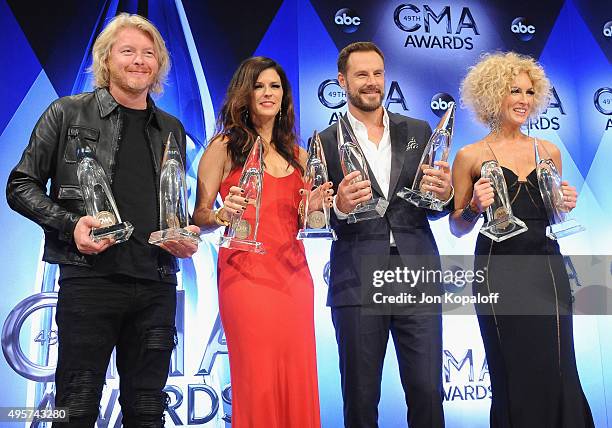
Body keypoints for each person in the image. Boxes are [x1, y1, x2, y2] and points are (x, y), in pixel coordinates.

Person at [6, 13, 199, 427]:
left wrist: (183, 236)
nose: (139, 61)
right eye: (128, 51)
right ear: (106, 59)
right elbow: (21, 185)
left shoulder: (172, 128)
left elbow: (172, 208)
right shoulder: (66, 113)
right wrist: (69, 224)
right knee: (74, 406)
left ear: (159, 65)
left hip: (156, 285)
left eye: (149, 54)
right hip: (89, 280)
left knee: (148, 410)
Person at [450, 51, 594, 427]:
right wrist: (473, 209)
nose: (524, 100)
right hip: (497, 271)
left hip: (547, 268)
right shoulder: (469, 156)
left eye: (530, 93)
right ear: (492, 95)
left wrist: (565, 203)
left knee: (559, 364)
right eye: (514, 91)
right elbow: (456, 226)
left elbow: (555, 214)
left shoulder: (548, 151)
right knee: (512, 370)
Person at [318, 42, 452, 428]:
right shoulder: (324, 141)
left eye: (377, 73)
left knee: (427, 391)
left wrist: (444, 196)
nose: (372, 82)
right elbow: (314, 218)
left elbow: (435, 205)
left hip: (417, 273)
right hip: (357, 276)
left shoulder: (419, 130)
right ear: (342, 81)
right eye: (362, 74)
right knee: (360, 398)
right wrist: (339, 207)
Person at [193, 56, 328, 428]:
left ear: (285, 96)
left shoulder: (300, 156)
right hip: (245, 278)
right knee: (258, 379)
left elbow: (303, 222)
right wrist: (221, 215)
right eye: (258, 86)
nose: (267, 93)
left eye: (275, 86)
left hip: (294, 278)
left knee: (297, 376)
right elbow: (199, 216)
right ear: (244, 93)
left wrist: (314, 208)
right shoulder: (223, 147)